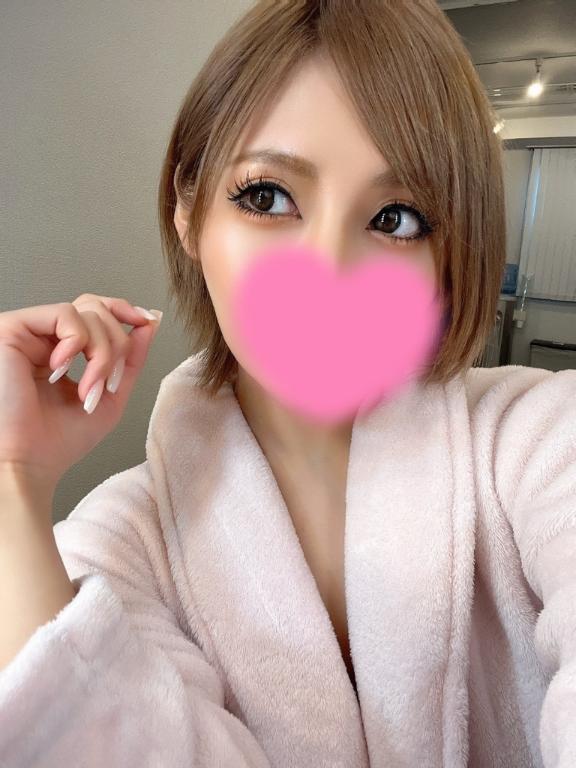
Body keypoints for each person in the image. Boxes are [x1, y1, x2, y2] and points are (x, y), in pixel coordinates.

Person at [1, 1, 575, 766]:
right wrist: (12, 478)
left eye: (397, 218)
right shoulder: (117, 545)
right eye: (267, 197)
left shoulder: (538, 441)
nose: (327, 272)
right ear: (186, 210)